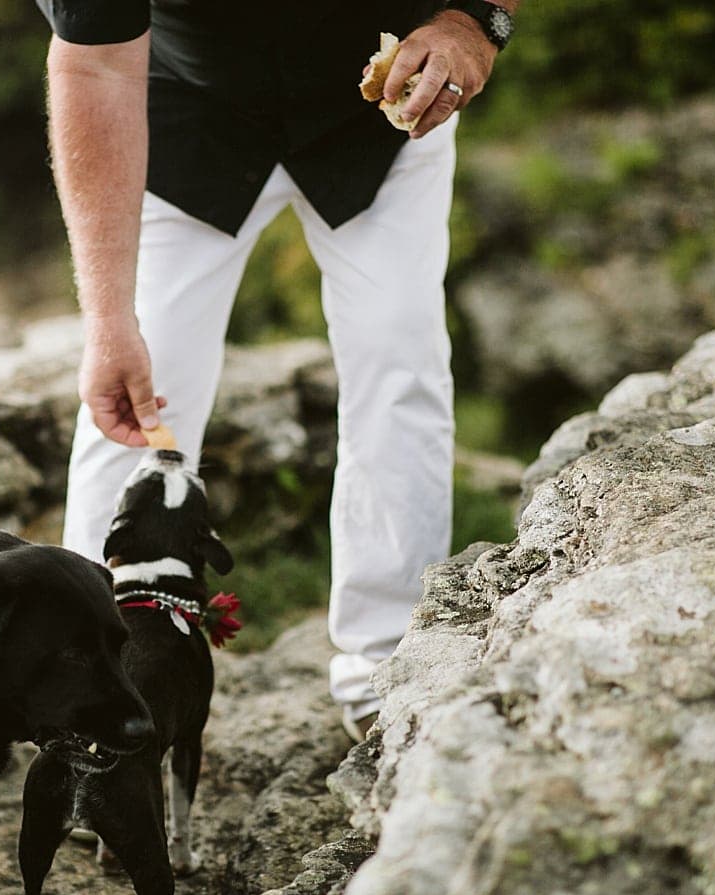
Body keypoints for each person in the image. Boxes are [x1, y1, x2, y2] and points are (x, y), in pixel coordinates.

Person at [40, 0, 520, 740]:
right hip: (179, 111)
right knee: (140, 390)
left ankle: (389, 675)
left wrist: (476, 23)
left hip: (386, 106)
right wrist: (106, 320)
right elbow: (95, 63)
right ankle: (87, 703)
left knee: (401, 358)